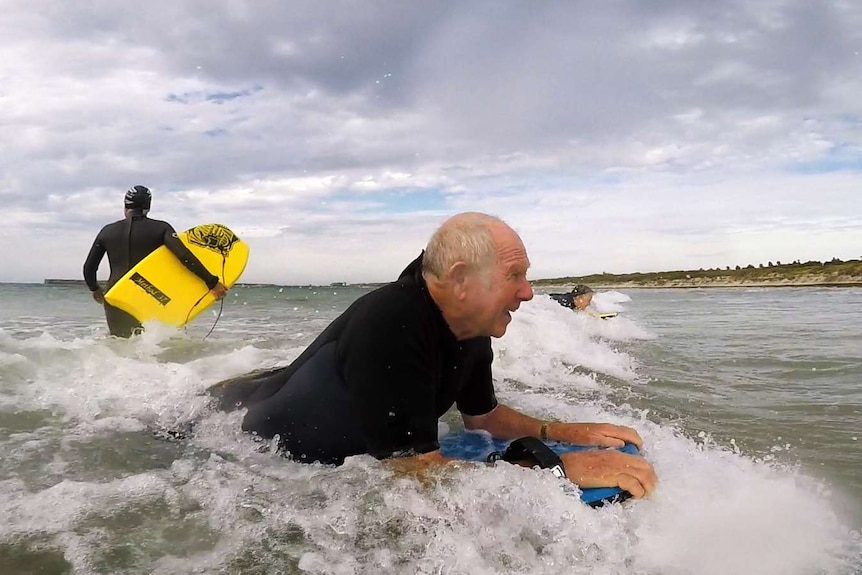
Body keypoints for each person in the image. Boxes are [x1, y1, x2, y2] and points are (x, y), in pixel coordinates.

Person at [210, 212, 656, 498]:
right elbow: (411, 472)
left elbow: (483, 417)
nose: (528, 292)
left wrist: (564, 432)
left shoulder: (472, 326)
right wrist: (556, 469)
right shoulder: (392, 323)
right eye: (514, 276)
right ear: (460, 279)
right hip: (231, 433)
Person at [83, 185, 228, 337]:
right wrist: (211, 282)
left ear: (125, 206)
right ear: (148, 206)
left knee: (119, 345)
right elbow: (184, 256)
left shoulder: (107, 231)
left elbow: (89, 268)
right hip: (149, 294)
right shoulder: (161, 228)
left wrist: (94, 289)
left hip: (115, 295)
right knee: (152, 347)